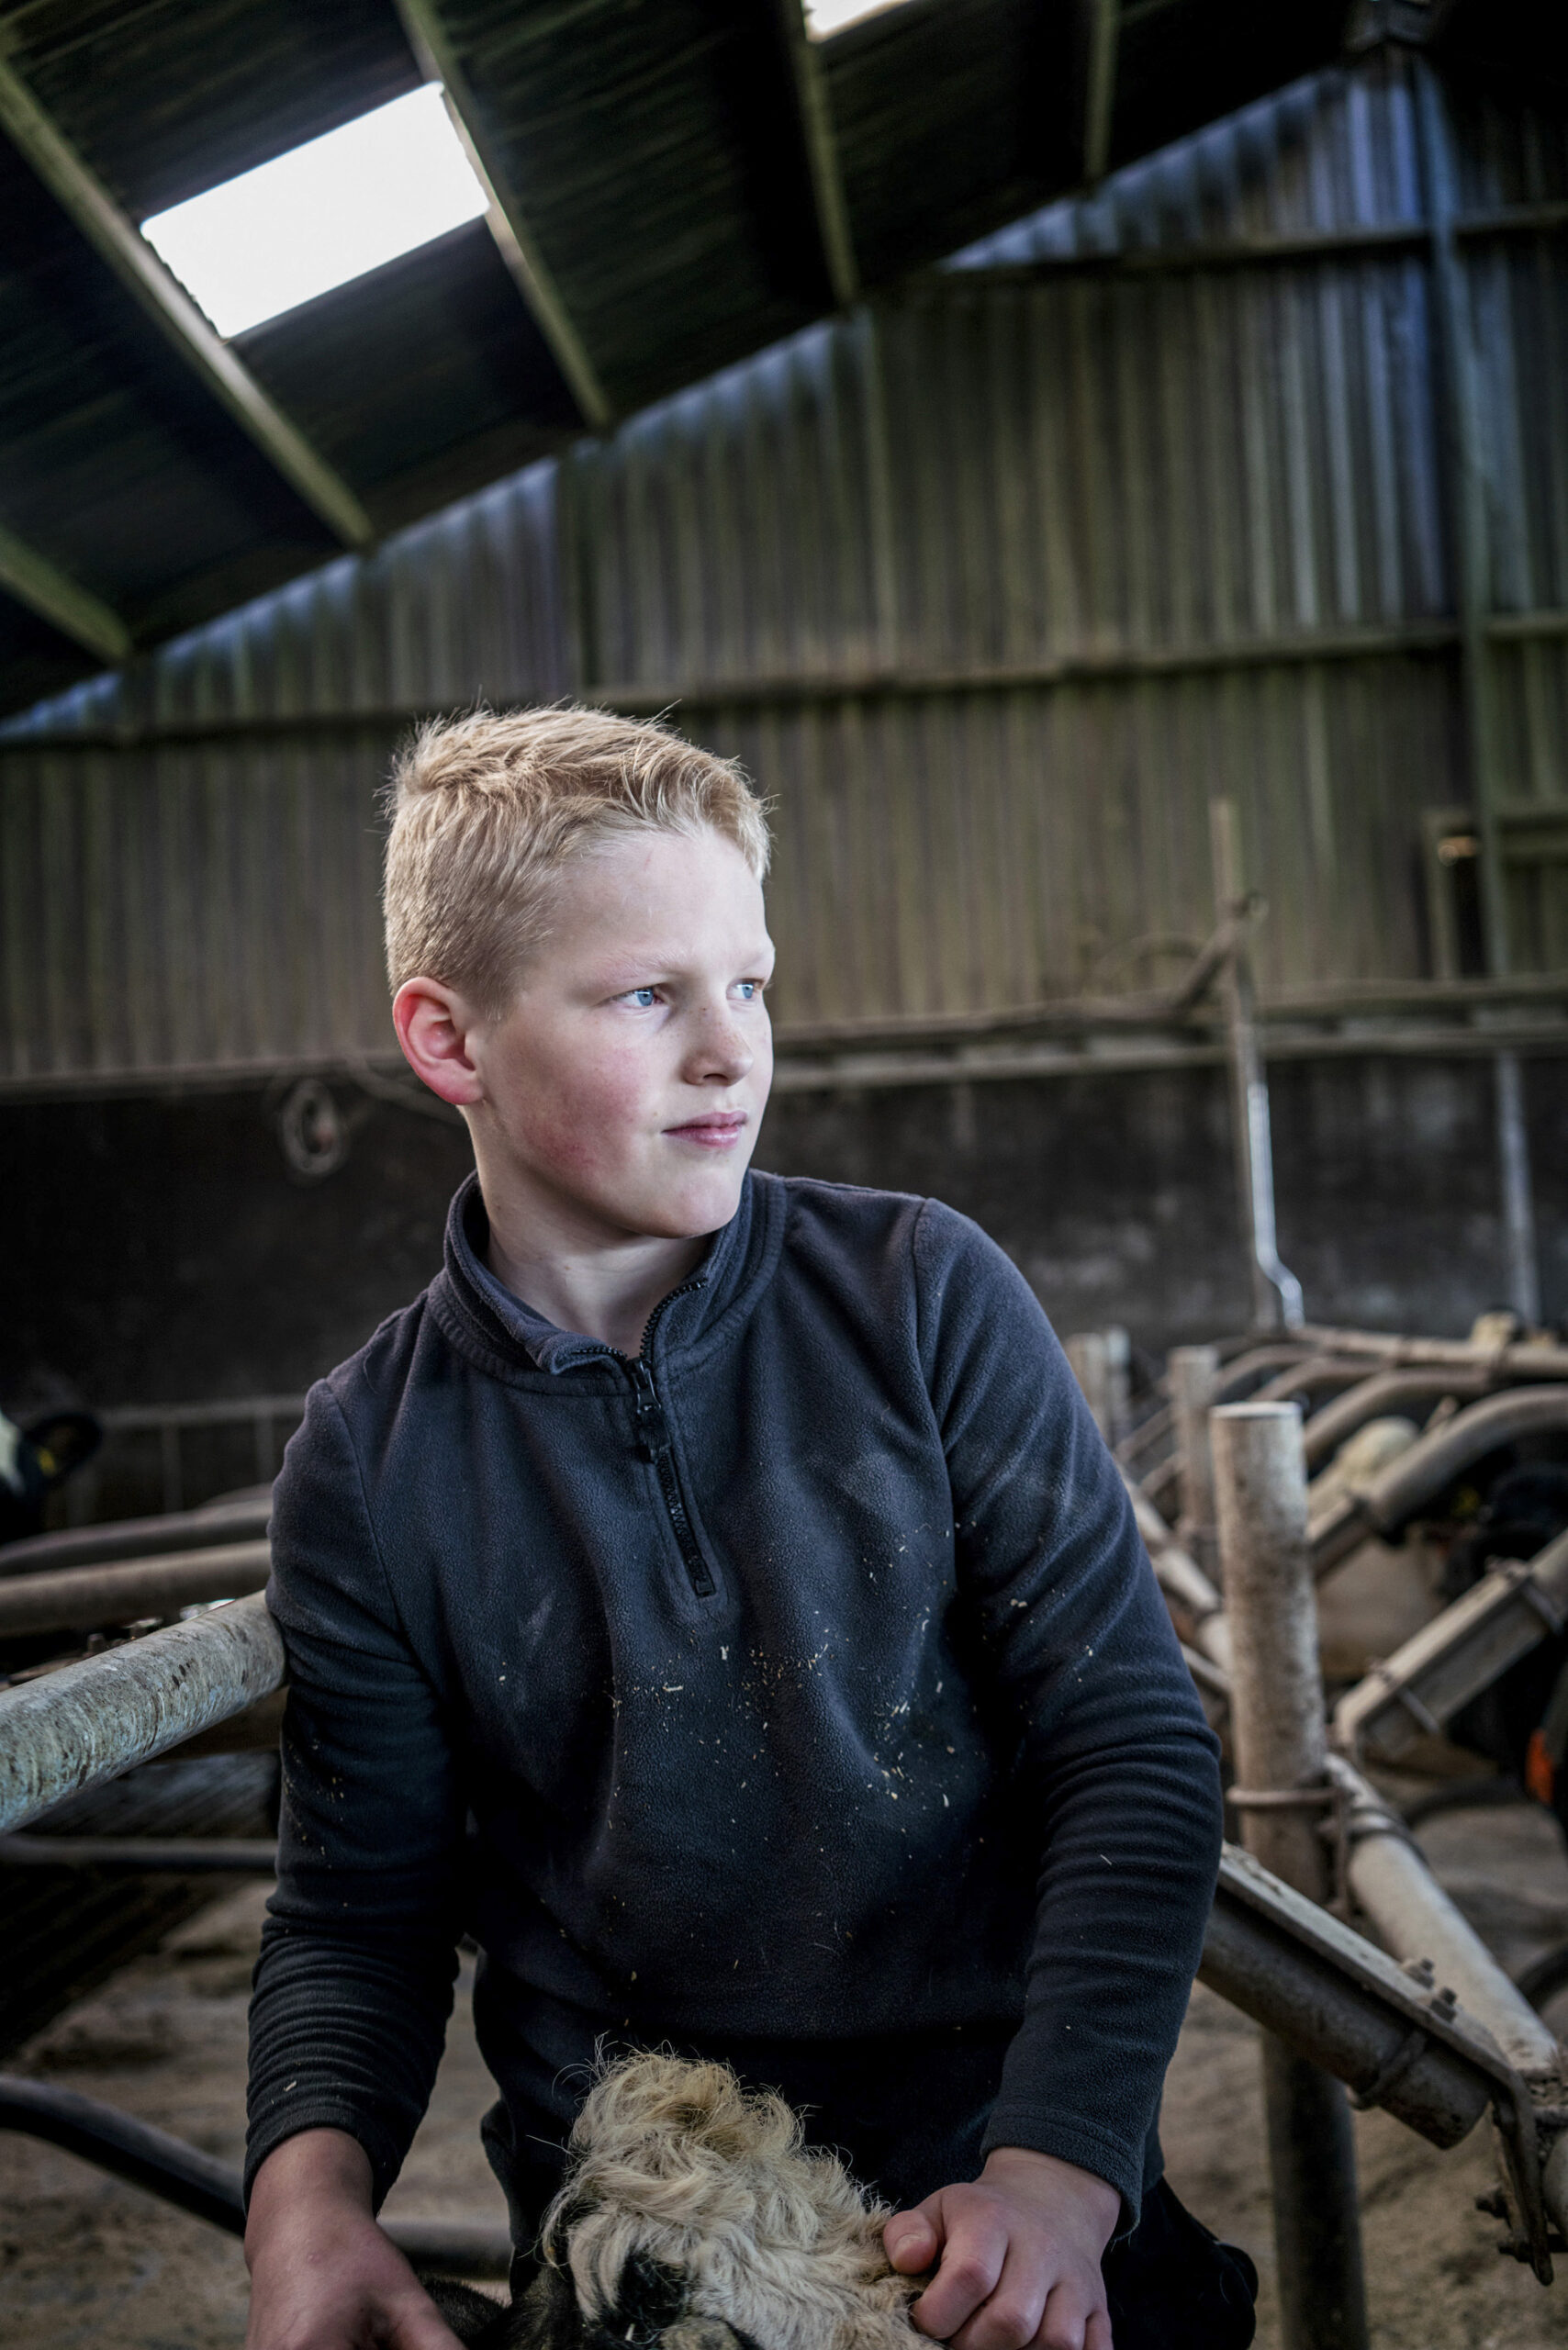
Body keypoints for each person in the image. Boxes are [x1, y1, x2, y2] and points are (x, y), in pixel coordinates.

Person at [242, 708, 1255, 2350]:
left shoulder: (922, 1299)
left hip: (999, 2205)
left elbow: (1129, 1744)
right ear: (450, 1042)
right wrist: (306, 2212)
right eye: (649, 996)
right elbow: (359, 1909)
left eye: (751, 984)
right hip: (646, 2232)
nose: (733, 1051)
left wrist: (1062, 2173)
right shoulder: (371, 1466)